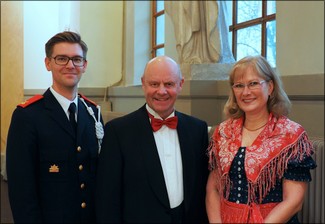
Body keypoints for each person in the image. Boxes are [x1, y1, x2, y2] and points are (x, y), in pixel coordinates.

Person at [96, 55, 209, 223]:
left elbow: (202, 191)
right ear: (143, 84)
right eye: (154, 84)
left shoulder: (197, 130)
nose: (161, 91)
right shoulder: (118, 132)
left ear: (180, 85)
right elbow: (107, 200)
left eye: (169, 84)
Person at [6, 31, 104, 223]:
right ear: (48, 63)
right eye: (61, 59)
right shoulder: (28, 116)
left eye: (77, 59)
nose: (70, 65)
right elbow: (22, 191)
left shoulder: (93, 114)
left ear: (84, 65)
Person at [206, 55, 317, 223]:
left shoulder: (291, 135)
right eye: (239, 86)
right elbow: (212, 189)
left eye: (253, 83)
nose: (246, 92)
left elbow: (294, 202)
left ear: (270, 87)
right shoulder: (222, 132)